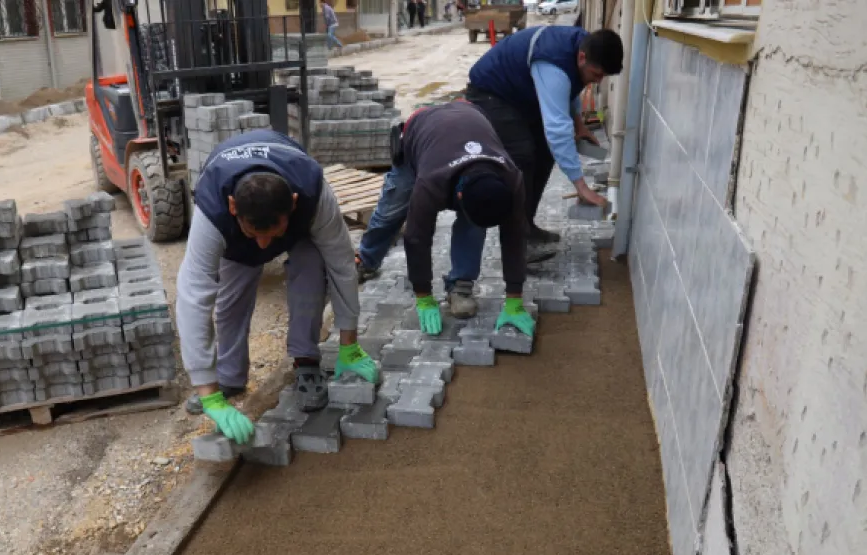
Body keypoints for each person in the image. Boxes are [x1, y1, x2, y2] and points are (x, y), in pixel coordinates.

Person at [176, 130, 379, 445]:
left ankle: (306, 361)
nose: (264, 245)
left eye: (273, 233)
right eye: (254, 232)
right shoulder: (212, 209)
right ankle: (227, 380)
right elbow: (192, 297)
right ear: (233, 207)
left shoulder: (314, 195)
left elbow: (341, 266)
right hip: (234, 236)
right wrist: (207, 391)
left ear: (294, 204)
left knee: (312, 267)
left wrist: (349, 343)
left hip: (298, 230)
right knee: (231, 299)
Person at [354, 100, 537, 332]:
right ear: (458, 195)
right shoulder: (431, 182)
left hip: (469, 117)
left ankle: (460, 284)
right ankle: (366, 259)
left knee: (473, 225)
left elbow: (515, 236)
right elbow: (417, 237)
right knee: (391, 211)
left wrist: (514, 298)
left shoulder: (512, 179)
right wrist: (423, 296)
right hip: (420, 135)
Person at [466, 26, 623, 243]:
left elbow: (567, 91)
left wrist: (579, 124)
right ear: (582, 57)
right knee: (522, 157)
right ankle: (518, 243)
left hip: (519, 93)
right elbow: (557, 130)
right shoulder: (553, 65)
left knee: (544, 152)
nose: (598, 81)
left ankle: (526, 226)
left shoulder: (584, 46)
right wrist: (581, 186)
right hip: (492, 93)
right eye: (596, 74)